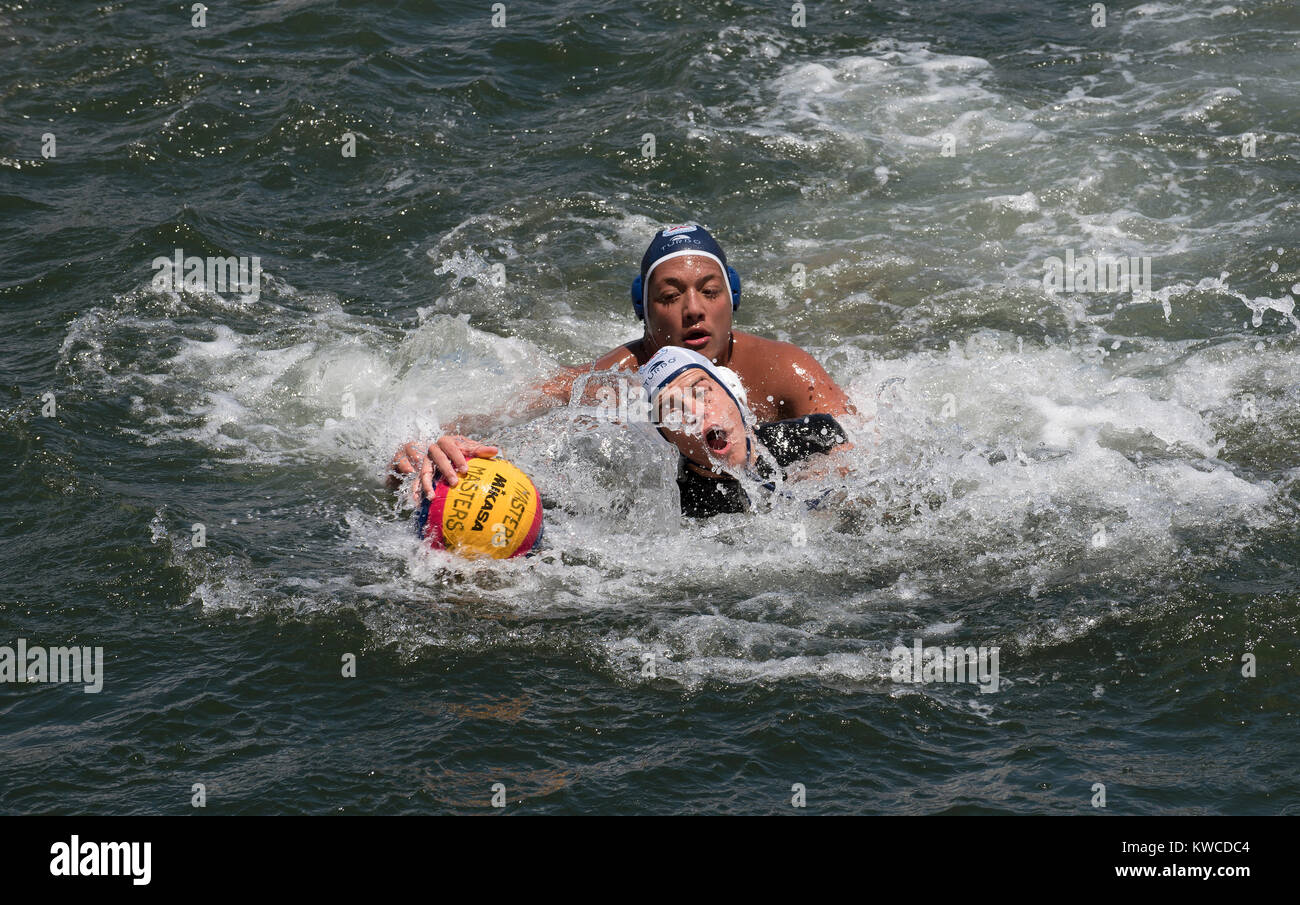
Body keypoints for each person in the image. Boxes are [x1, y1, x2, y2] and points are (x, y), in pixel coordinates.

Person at [389, 223, 858, 504]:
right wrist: (423, 451)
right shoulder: (611, 383)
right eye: (670, 296)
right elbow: (492, 426)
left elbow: (867, 448)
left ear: (732, 298)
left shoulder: (785, 370)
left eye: (710, 292)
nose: (693, 309)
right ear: (644, 309)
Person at [637, 346, 850, 517]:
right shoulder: (678, 509)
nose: (696, 412)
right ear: (670, 440)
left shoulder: (813, 434)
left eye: (702, 393)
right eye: (673, 412)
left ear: (734, 396)